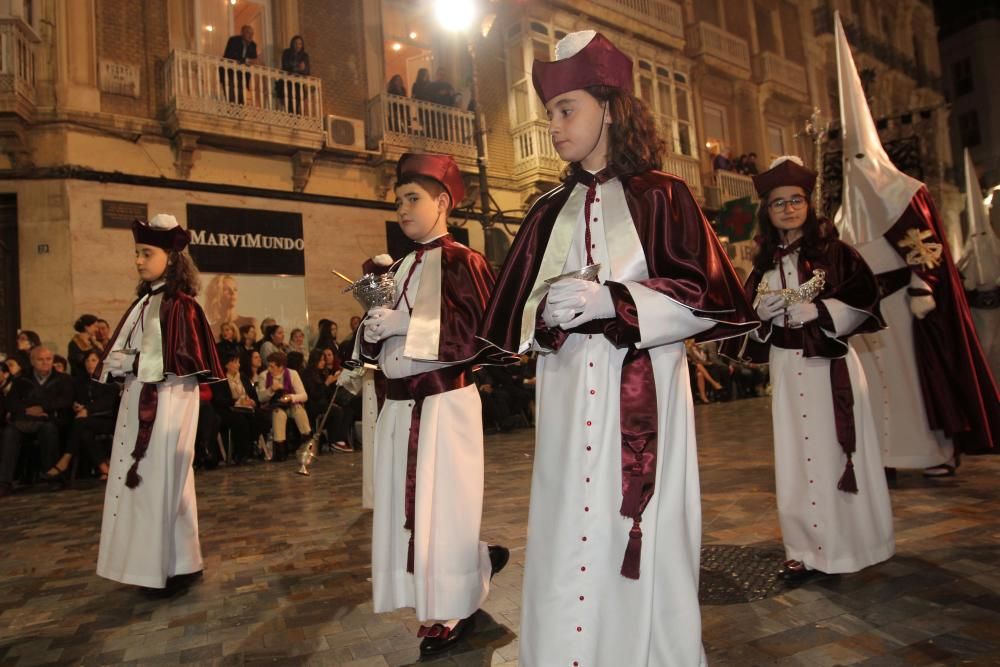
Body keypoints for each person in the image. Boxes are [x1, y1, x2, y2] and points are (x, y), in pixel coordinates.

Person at [477, 31, 757, 666]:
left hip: (647, 394)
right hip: (568, 394)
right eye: (548, 112)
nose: (552, 126)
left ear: (609, 105)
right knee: (566, 523)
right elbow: (513, 316)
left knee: (640, 528)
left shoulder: (667, 196)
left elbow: (704, 297)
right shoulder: (548, 210)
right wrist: (543, 312)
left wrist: (617, 302)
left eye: (565, 108)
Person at [830, 17, 998, 476]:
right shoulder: (843, 211)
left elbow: (926, 252)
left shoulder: (905, 193)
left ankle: (930, 452)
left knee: (913, 381)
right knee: (875, 385)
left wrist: (922, 286)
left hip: (905, 309)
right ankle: (881, 455)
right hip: (866, 312)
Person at [357, 153, 509, 656]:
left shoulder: (466, 261)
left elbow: (482, 336)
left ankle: (453, 606)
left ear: (442, 202)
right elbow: (383, 342)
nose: (402, 208)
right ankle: (463, 570)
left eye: (413, 198)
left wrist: (406, 327)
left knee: (444, 507)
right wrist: (372, 331)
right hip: (400, 408)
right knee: (414, 513)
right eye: (399, 199)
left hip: (444, 406)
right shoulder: (398, 268)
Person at [727, 156, 894, 581]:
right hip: (786, 368)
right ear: (767, 211)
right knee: (796, 458)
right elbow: (742, 331)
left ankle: (849, 547)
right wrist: (760, 317)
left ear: (808, 202)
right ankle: (802, 548)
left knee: (836, 454)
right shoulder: (762, 266)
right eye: (778, 202)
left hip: (829, 366)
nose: (788, 208)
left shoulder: (837, 254)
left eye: (795, 200)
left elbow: (867, 299)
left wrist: (820, 311)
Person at [94, 214, 223, 591]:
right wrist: (122, 364)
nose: (138, 260)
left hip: (166, 401)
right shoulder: (146, 302)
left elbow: (177, 360)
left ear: (171, 257)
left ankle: (162, 570)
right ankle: (179, 563)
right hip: (141, 397)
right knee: (160, 483)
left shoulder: (180, 305)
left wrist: (132, 363)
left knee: (160, 480)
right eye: (136, 253)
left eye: (145, 253)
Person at [0, 346, 74, 497]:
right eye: (40, 359)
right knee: (9, 433)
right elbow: (10, 402)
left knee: (48, 430)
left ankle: (53, 478)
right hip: (25, 419)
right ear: (32, 361)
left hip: (50, 419)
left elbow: (66, 400)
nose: (45, 362)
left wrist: (42, 407)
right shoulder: (22, 380)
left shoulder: (62, 379)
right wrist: (27, 410)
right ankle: (4, 482)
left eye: (48, 359)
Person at [45, 349, 119, 484]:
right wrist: (77, 406)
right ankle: (104, 469)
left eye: (93, 360)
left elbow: (107, 402)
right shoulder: (80, 381)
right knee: (84, 432)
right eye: (87, 361)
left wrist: (88, 410)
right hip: (87, 421)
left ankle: (65, 460)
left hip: (108, 420)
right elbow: (76, 399)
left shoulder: (110, 380)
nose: (90, 364)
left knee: (81, 423)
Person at [255, 351, 310, 462]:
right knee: (278, 414)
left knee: (299, 411)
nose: (269, 369)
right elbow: (261, 398)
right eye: (268, 366)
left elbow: (304, 396)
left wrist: (291, 397)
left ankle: (307, 444)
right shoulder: (264, 376)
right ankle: (280, 451)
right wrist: (271, 389)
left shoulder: (292, 374)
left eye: (272, 366)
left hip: (290, 404)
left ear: (281, 367)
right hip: (274, 406)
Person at [212, 351, 263, 465]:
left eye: (238, 362)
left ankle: (252, 448)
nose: (238, 365)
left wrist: (252, 401)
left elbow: (253, 394)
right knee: (240, 421)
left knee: (258, 416)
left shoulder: (243, 377)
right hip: (228, 409)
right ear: (226, 365)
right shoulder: (220, 379)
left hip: (245, 407)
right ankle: (241, 453)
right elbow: (219, 399)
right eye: (234, 362)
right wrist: (237, 401)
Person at [204, 274, 257, 339]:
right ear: (217, 294)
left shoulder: (250, 322)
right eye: (226, 289)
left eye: (235, 289)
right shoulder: (211, 328)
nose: (232, 293)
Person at [221, 25, 258, 104]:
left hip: (242, 74)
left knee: (240, 97)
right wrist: (246, 60)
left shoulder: (253, 45)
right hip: (229, 71)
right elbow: (231, 55)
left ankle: (239, 113)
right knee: (231, 95)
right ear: (242, 33)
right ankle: (231, 113)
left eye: (252, 33)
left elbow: (254, 59)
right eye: (248, 32)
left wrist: (250, 61)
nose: (250, 35)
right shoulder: (234, 40)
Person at [278, 35, 310, 114]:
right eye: (296, 43)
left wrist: (302, 69)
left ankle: (296, 115)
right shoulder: (287, 53)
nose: (298, 46)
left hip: (299, 83)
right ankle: (291, 114)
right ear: (292, 44)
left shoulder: (304, 56)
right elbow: (285, 66)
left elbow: (307, 71)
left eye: (300, 44)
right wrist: (297, 68)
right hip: (287, 82)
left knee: (298, 100)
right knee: (289, 100)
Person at [68, 314, 104, 380]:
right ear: (86, 327)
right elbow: (77, 363)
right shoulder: (74, 344)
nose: (97, 329)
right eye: (95, 326)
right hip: (80, 380)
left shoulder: (94, 343)